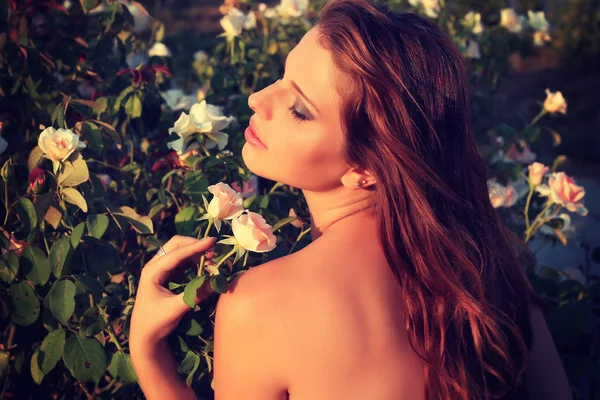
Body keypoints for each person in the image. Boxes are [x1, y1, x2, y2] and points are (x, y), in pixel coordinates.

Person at [129, 0, 573, 399]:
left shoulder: (260, 305)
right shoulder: (486, 268)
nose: (258, 98)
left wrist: (148, 355)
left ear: (367, 168)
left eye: (299, 109)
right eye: (282, 76)